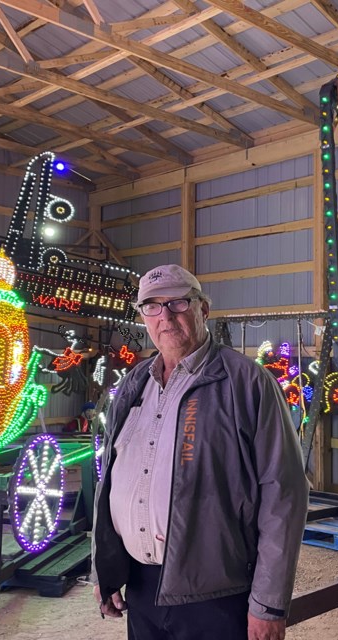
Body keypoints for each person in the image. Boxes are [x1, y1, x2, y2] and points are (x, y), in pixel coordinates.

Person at [91, 264, 309, 640]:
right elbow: (111, 478)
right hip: (142, 587)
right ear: (143, 315)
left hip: (217, 592)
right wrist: (106, 569)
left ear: (203, 309)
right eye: (152, 307)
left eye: (177, 303)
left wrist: (269, 602)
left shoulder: (246, 383)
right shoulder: (134, 383)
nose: (166, 317)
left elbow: (283, 493)